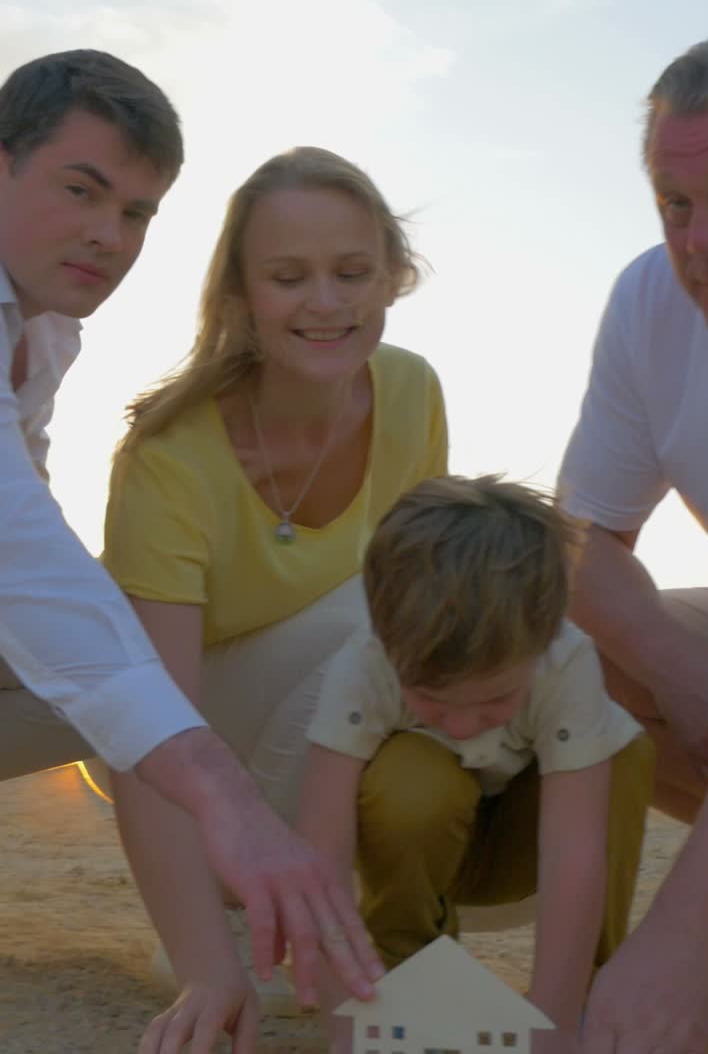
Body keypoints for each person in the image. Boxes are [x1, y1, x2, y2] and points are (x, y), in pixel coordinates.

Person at [0, 50, 383, 1052]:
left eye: (136, 212)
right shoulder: (170, 445)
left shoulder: (43, 333)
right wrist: (228, 801)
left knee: (131, 658)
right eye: (81, 190)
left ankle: (270, 946)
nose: (107, 236)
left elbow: (31, 540)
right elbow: (26, 560)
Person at [99, 143, 448, 1053]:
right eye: (289, 278)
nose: (326, 303)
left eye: (353, 273)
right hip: (184, 741)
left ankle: (355, 954)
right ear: (241, 296)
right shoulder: (169, 456)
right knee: (375, 618)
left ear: (393, 277)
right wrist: (206, 966)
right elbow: (145, 716)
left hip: (332, 713)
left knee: (425, 617)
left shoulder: (411, 390)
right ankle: (253, 941)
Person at [296, 475, 655, 1041]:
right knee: (411, 774)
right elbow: (323, 850)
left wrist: (552, 1021)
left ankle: (590, 997)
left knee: (624, 753)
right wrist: (345, 1012)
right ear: (390, 644)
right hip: (422, 845)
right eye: (430, 698)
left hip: (526, 845)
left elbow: (573, 852)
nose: (462, 725)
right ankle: (399, 979)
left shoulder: (565, 660)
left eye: (495, 699)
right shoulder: (363, 663)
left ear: (542, 640)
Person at [558, 38, 708, 1052]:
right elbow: (581, 541)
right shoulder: (648, 301)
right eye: (676, 205)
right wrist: (685, 671)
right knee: (578, 658)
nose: (700, 243)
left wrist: (681, 941)